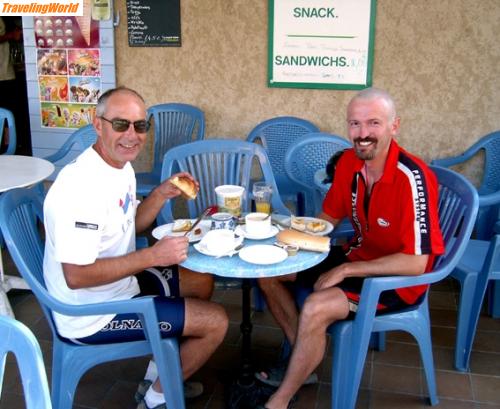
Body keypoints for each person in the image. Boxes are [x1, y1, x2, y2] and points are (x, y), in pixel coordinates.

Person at [254, 87, 444, 409]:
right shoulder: (348, 163)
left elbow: (416, 263)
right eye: (355, 124)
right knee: (269, 273)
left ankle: (280, 400)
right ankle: (303, 357)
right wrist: (294, 245)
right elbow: (328, 216)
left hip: (395, 278)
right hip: (358, 254)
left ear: (394, 126)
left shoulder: (412, 179)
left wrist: (346, 269)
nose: (363, 134)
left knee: (316, 306)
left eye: (373, 123)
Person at [43, 87, 228, 409]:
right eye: (120, 124)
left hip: (118, 284)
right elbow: (76, 276)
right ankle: (157, 399)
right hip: (90, 312)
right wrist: (153, 256)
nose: (132, 135)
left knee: (201, 281)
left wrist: (160, 194)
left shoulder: (119, 167)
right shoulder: (80, 188)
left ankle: (157, 372)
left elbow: (132, 225)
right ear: (97, 124)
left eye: (140, 126)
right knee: (216, 322)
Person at [0, 17, 21, 152]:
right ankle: (6, 146)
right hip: (2, 74)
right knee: (6, 112)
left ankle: (8, 146)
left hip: (6, 72)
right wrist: (11, 35)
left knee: (8, 113)